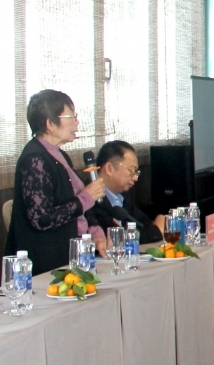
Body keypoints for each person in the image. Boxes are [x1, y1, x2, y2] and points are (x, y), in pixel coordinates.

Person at [4, 90, 107, 273]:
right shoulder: (35, 160)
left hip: (73, 254)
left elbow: (82, 201)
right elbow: (41, 219)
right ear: (50, 124)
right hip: (45, 263)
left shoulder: (60, 155)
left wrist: (95, 231)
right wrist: (86, 197)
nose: (76, 121)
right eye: (71, 116)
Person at [88, 140, 165, 244]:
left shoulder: (122, 195)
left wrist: (153, 229)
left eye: (136, 172)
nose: (135, 178)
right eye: (132, 170)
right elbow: (116, 238)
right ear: (109, 168)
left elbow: (144, 223)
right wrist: (157, 231)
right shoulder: (91, 198)